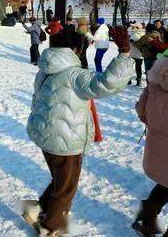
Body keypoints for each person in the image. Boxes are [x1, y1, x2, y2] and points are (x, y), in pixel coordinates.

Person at [23, 27, 134, 236]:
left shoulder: (46, 68)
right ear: (75, 49)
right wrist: (125, 55)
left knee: (60, 180)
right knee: (66, 187)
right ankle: (50, 227)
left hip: (46, 136)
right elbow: (106, 83)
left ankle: (39, 209)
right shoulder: (75, 75)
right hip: (65, 140)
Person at [133, 53, 168, 236]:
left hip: (157, 148)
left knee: (165, 184)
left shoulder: (155, 78)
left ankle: (146, 220)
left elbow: (141, 108)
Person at [129, 22, 145, 86]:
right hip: (140, 55)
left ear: (138, 28)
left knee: (129, 68)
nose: (132, 28)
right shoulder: (142, 34)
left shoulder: (135, 35)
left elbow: (132, 43)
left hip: (133, 54)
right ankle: (139, 81)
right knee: (138, 68)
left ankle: (129, 80)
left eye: (133, 27)